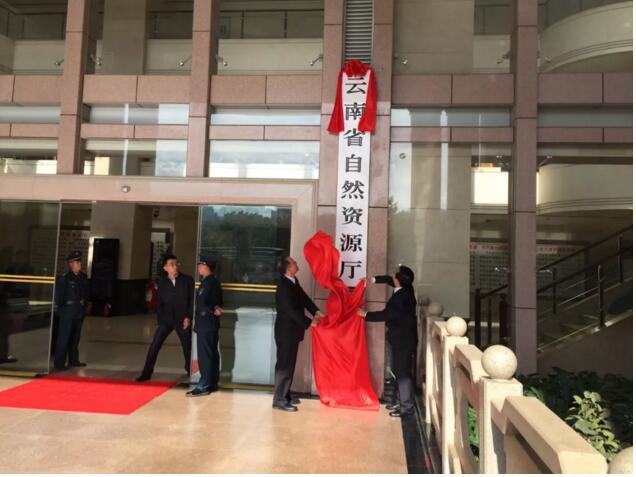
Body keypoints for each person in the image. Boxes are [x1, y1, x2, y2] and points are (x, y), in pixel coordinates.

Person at [358, 265, 417, 417]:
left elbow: (387, 314)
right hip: (403, 338)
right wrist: (372, 279)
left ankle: (406, 408)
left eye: (395, 274)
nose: (392, 275)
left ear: (398, 279)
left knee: (402, 373)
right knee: (399, 370)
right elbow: (387, 279)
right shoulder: (406, 288)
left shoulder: (400, 297)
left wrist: (365, 314)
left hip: (403, 340)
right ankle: (398, 401)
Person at [273, 256, 323, 412]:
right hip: (286, 332)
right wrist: (309, 322)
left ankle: (285, 393)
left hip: (292, 331)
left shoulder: (293, 281)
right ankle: (279, 400)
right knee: (284, 366)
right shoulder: (283, 286)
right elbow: (291, 311)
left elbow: (303, 298)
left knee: (289, 364)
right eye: (294, 263)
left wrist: (316, 311)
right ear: (288, 268)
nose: (296, 264)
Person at [136, 254, 194, 382]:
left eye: (176, 263)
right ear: (165, 268)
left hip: (182, 320)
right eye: (171, 264)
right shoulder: (162, 282)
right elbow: (159, 302)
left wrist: (188, 317)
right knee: (154, 346)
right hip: (166, 321)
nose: (175, 266)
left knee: (188, 347)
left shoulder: (187, 280)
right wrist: (160, 320)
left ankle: (190, 370)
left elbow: (192, 302)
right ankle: (146, 373)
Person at [186, 256, 223, 397]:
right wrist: (215, 307)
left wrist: (213, 309)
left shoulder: (209, 282)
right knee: (211, 353)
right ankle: (212, 382)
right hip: (209, 323)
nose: (198, 267)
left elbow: (204, 303)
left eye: (200, 265)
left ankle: (204, 385)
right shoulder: (211, 281)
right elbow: (216, 302)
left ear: (206, 267)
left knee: (205, 355)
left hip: (206, 323)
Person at [53, 251, 91, 371]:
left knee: (75, 337)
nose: (79, 264)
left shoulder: (83, 276)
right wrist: (63, 309)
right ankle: (59, 363)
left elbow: (86, 293)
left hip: (79, 311)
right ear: (70, 264)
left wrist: (85, 305)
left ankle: (73, 360)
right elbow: (59, 297)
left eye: (79, 262)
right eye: (76, 262)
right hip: (67, 311)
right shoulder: (64, 278)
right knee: (64, 337)